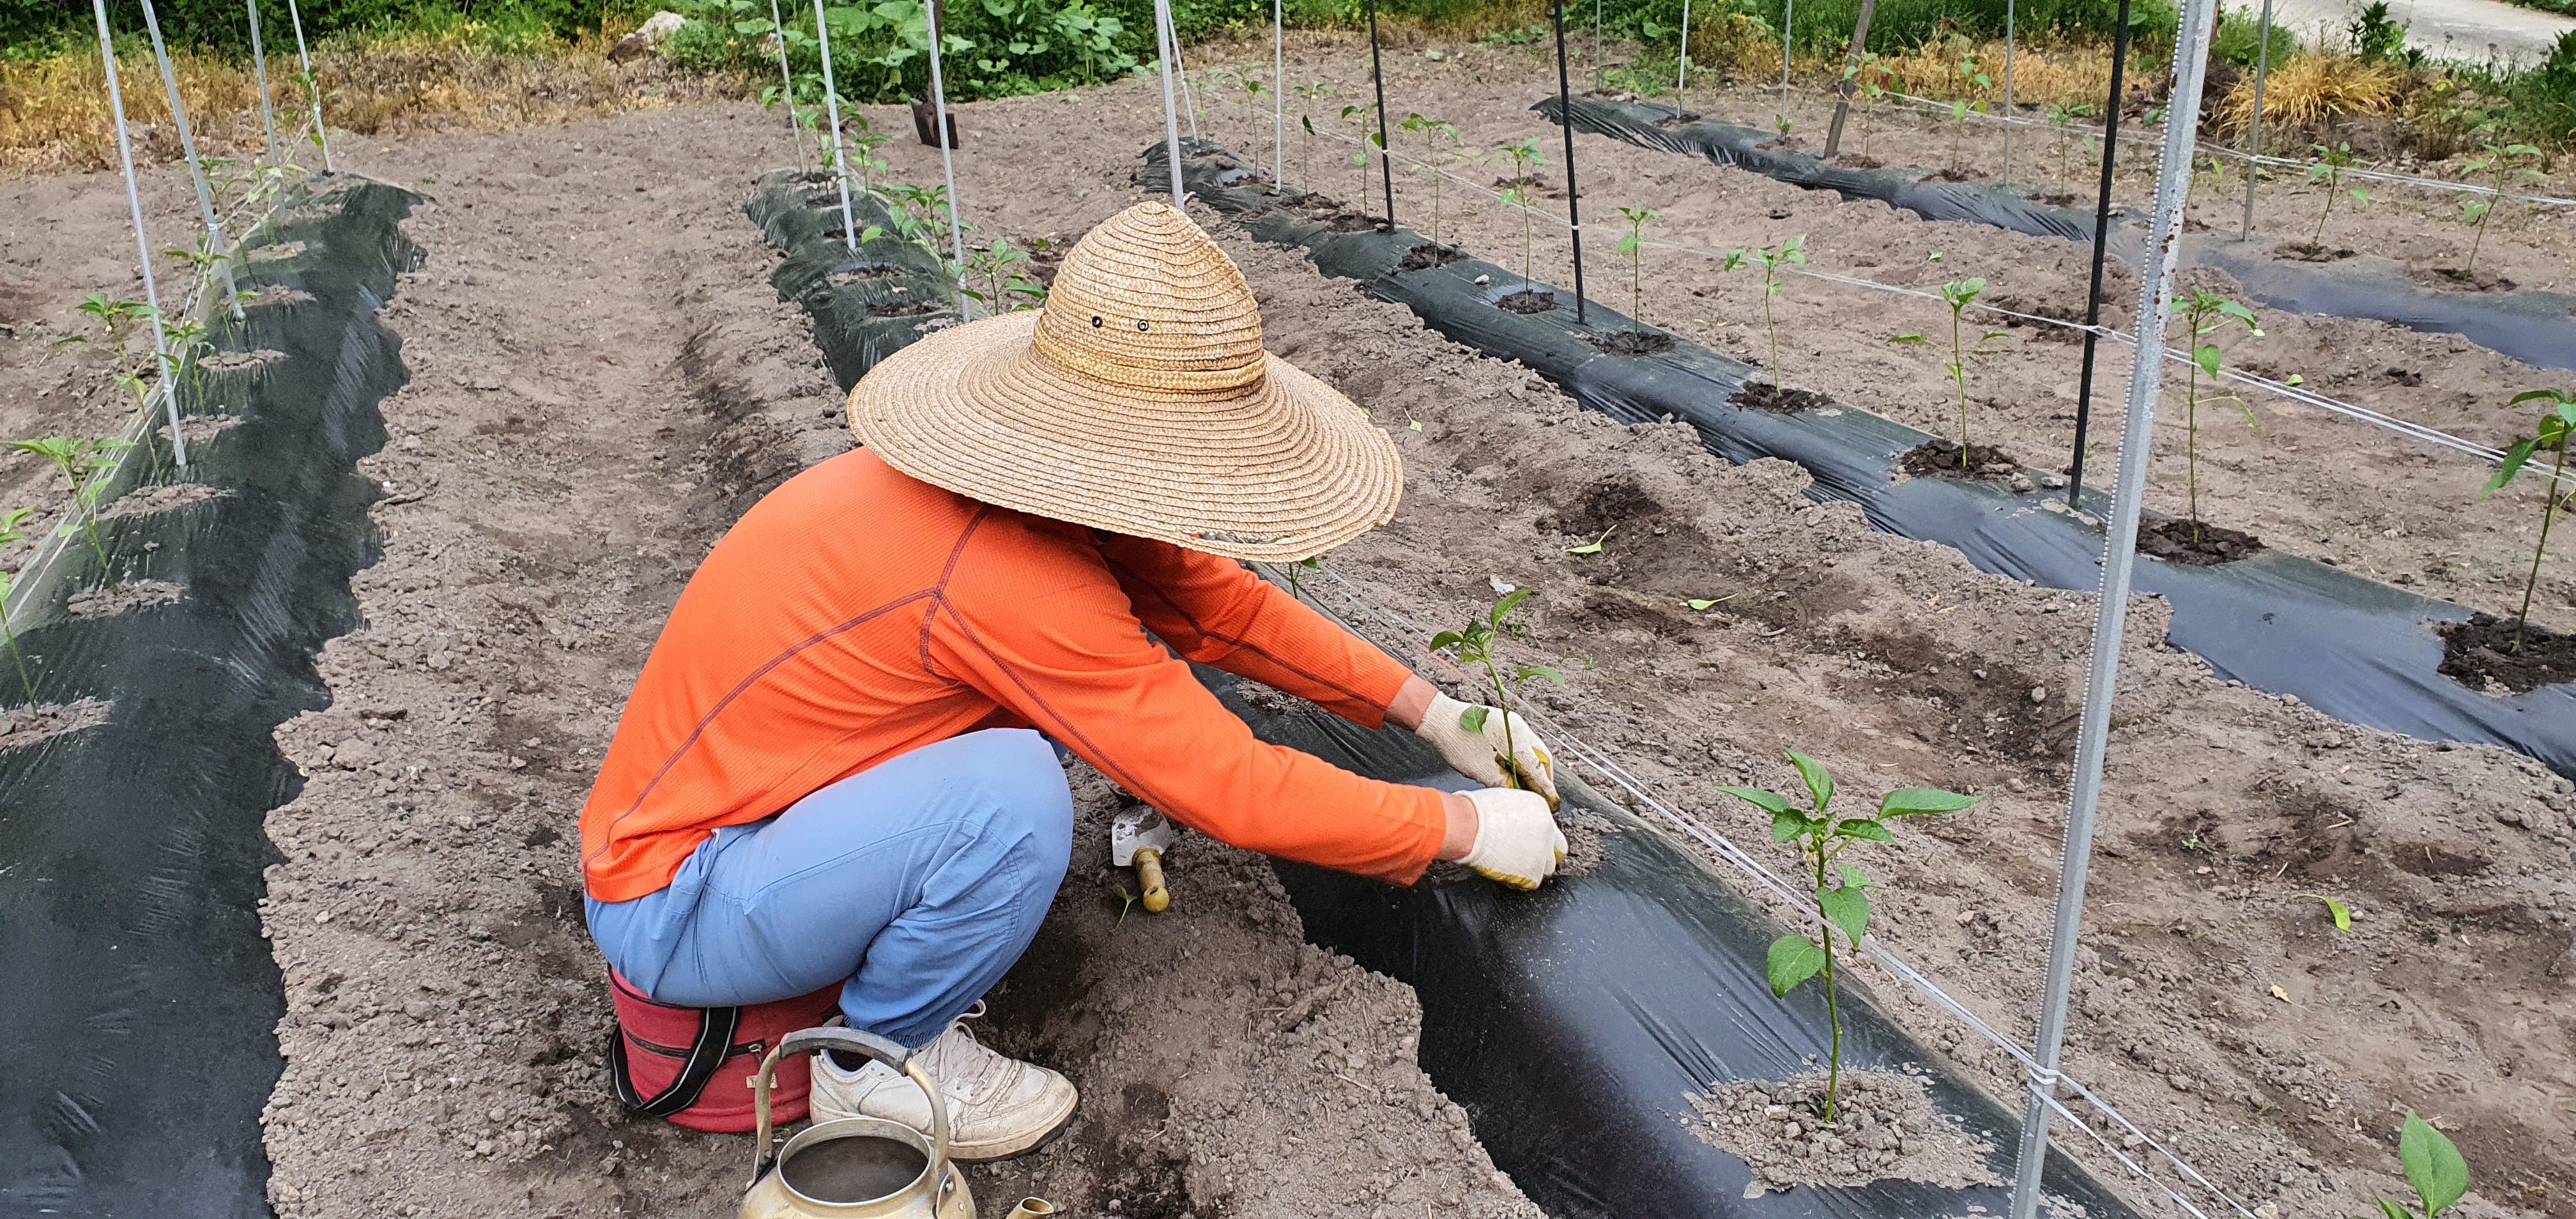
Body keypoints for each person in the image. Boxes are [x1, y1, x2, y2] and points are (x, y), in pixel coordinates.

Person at [578, 201, 1565, 1160]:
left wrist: (1434, 714)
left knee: (1018, 746)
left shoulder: (1008, 491)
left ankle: (889, 958)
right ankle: (876, 1061)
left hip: (749, 833)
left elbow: (1223, 610)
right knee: (1009, 801)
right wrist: (1464, 829)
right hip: (681, 899)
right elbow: (1231, 785)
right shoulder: (1002, 574)